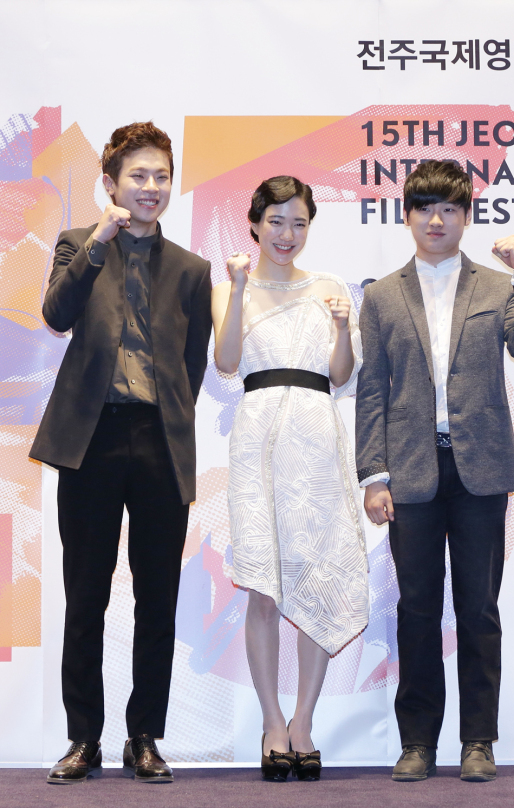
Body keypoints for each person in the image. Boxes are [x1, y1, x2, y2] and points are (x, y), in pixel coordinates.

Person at [355, 160, 514, 783]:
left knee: (478, 608)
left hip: (480, 471)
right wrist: (373, 474)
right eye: (424, 207)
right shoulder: (383, 295)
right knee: (416, 609)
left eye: (449, 208)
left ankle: (478, 742)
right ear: (407, 214)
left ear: (465, 216)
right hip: (411, 470)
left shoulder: (496, 286)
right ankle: (417, 742)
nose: (436, 219)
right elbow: (373, 392)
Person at [30, 122, 212, 784]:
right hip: (91, 439)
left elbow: (192, 367)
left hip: (160, 441)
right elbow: (56, 312)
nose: (152, 187)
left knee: (157, 598)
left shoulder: (192, 270)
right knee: (86, 594)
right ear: (111, 184)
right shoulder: (79, 245)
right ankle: (84, 737)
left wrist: (167, 414)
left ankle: (144, 736)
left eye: (162, 175)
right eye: (138, 175)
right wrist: (100, 242)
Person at [212, 176, 368, 782]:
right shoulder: (230, 286)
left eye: (299, 222)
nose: (287, 234)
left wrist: (342, 328)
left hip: (316, 439)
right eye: (276, 221)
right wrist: (240, 285)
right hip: (257, 441)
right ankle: (271, 723)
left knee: (318, 575)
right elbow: (225, 363)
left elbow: (342, 375)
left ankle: (303, 723)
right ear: (255, 223)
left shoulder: (329, 288)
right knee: (263, 585)